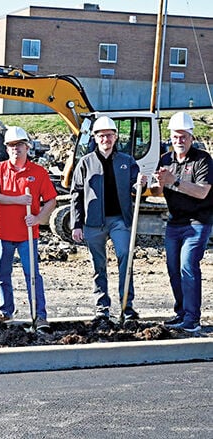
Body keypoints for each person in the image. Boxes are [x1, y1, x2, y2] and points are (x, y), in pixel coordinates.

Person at [71, 116, 147, 320]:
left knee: (125, 256)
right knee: (98, 265)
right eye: (101, 135)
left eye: (109, 135)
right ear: (95, 138)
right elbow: (76, 194)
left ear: (115, 137)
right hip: (93, 223)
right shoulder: (85, 163)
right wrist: (76, 224)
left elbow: (135, 187)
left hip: (119, 220)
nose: (106, 138)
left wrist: (141, 184)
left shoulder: (127, 161)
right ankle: (101, 307)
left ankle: (126, 305)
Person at [0, 126, 56, 330]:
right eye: (11, 146)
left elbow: (51, 200)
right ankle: (6, 311)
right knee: (2, 273)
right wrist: (18, 200)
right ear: (7, 149)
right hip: (4, 233)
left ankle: (40, 315)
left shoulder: (38, 172)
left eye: (19, 145)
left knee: (32, 274)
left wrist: (38, 218)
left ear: (27, 147)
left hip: (28, 235)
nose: (15, 149)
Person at [150, 112, 213, 333]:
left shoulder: (202, 160)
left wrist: (174, 181)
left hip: (197, 223)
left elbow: (203, 192)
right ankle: (181, 312)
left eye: (183, 137)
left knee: (188, 266)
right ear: (170, 137)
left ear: (191, 138)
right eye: (176, 137)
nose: (179, 141)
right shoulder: (165, 159)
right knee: (173, 269)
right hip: (175, 222)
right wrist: (155, 184)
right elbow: (159, 190)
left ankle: (192, 319)